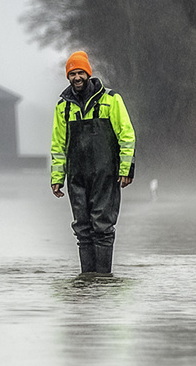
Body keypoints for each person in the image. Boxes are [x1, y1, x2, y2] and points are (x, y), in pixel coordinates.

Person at [50, 50, 135, 275]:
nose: (76, 77)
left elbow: (126, 135)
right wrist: (57, 178)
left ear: (88, 73)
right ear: (68, 77)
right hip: (77, 177)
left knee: (103, 227)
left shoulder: (111, 99)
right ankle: (88, 280)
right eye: (72, 74)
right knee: (82, 228)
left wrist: (126, 169)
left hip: (106, 175)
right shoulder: (63, 107)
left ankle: (103, 279)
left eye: (80, 72)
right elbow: (58, 146)